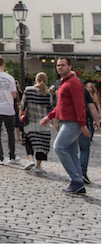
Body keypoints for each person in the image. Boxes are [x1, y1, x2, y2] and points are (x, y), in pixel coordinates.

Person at [40, 57, 90, 195]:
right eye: (58, 65)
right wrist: (49, 116)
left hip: (72, 123)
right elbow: (61, 106)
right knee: (72, 153)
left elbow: (80, 105)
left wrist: (82, 123)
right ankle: (77, 182)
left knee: (59, 147)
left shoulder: (73, 83)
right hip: (66, 122)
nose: (59, 67)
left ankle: (76, 181)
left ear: (70, 66)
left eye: (62, 65)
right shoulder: (64, 83)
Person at [20, 72, 53, 173]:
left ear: (36, 79)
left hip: (31, 120)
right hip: (43, 123)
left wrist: (20, 116)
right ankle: (38, 165)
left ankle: (30, 159)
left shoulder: (28, 90)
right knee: (42, 144)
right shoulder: (48, 94)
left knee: (29, 141)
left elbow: (23, 105)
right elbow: (51, 109)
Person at [78, 82, 101, 184]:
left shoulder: (66, 88)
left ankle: (76, 173)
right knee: (84, 148)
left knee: (71, 148)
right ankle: (81, 172)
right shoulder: (83, 91)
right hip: (85, 120)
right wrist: (97, 121)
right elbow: (91, 107)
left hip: (72, 121)